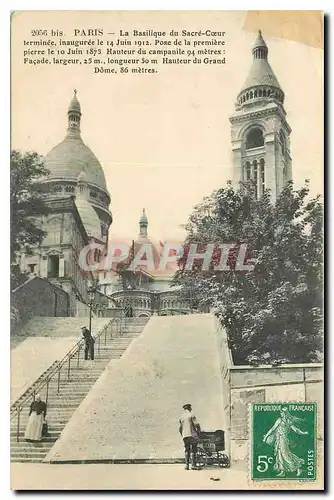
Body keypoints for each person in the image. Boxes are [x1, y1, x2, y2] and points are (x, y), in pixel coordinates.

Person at [263, 407, 308, 477]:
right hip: (278, 439)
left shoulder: (289, 421)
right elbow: (272, 429)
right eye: (281, 412)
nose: (281, 414)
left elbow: (296, 430)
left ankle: (298, 468)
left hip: (284, 439)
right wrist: (266, 437)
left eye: (282, 412)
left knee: (285, 455)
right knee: (279, 454)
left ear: (286, 413)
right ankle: (282, 471)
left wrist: (303, 433)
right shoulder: (279, 420)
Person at [179, 403, 201, 470]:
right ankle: (193, 465)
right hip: (192, 435)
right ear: (189, 408)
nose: (191, 409)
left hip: (185, 436)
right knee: (193, 450)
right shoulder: (191, 415)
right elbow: (197, 425)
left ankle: (187, 466)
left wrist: (182, 435)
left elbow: (180, 429)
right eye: (190, 408)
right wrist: (199, 433)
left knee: (186, 450)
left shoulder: (181, 417)